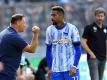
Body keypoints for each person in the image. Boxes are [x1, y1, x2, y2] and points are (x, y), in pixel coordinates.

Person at [46, 6, 81, 80]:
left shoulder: (72, 28)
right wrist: (50, 68)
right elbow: (48, 50)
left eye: (54, 15)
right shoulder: (49, 30)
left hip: (71, 69)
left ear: (61, 16)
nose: (51, 17)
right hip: (56, 70)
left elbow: (78, 49)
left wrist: (74, 66)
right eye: (51, 15)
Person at [0, 14, 40, 80]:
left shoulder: (4, 33)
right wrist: (36, 33)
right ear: (18, 22)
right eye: (24, 22)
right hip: (7, 74)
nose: (25, 25)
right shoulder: (13, 36)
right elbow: (32, 50)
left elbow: (12, 50)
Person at [81, 7, 107, 80]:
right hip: (93, 58)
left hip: (103, 58)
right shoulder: (89, 27)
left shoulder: (106, 28)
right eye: (98, 16)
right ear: (95, 16)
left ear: (104, 17)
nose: (100, 18)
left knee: (100, 78)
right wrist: (91, 53)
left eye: (101, 16)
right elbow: (83, 42)